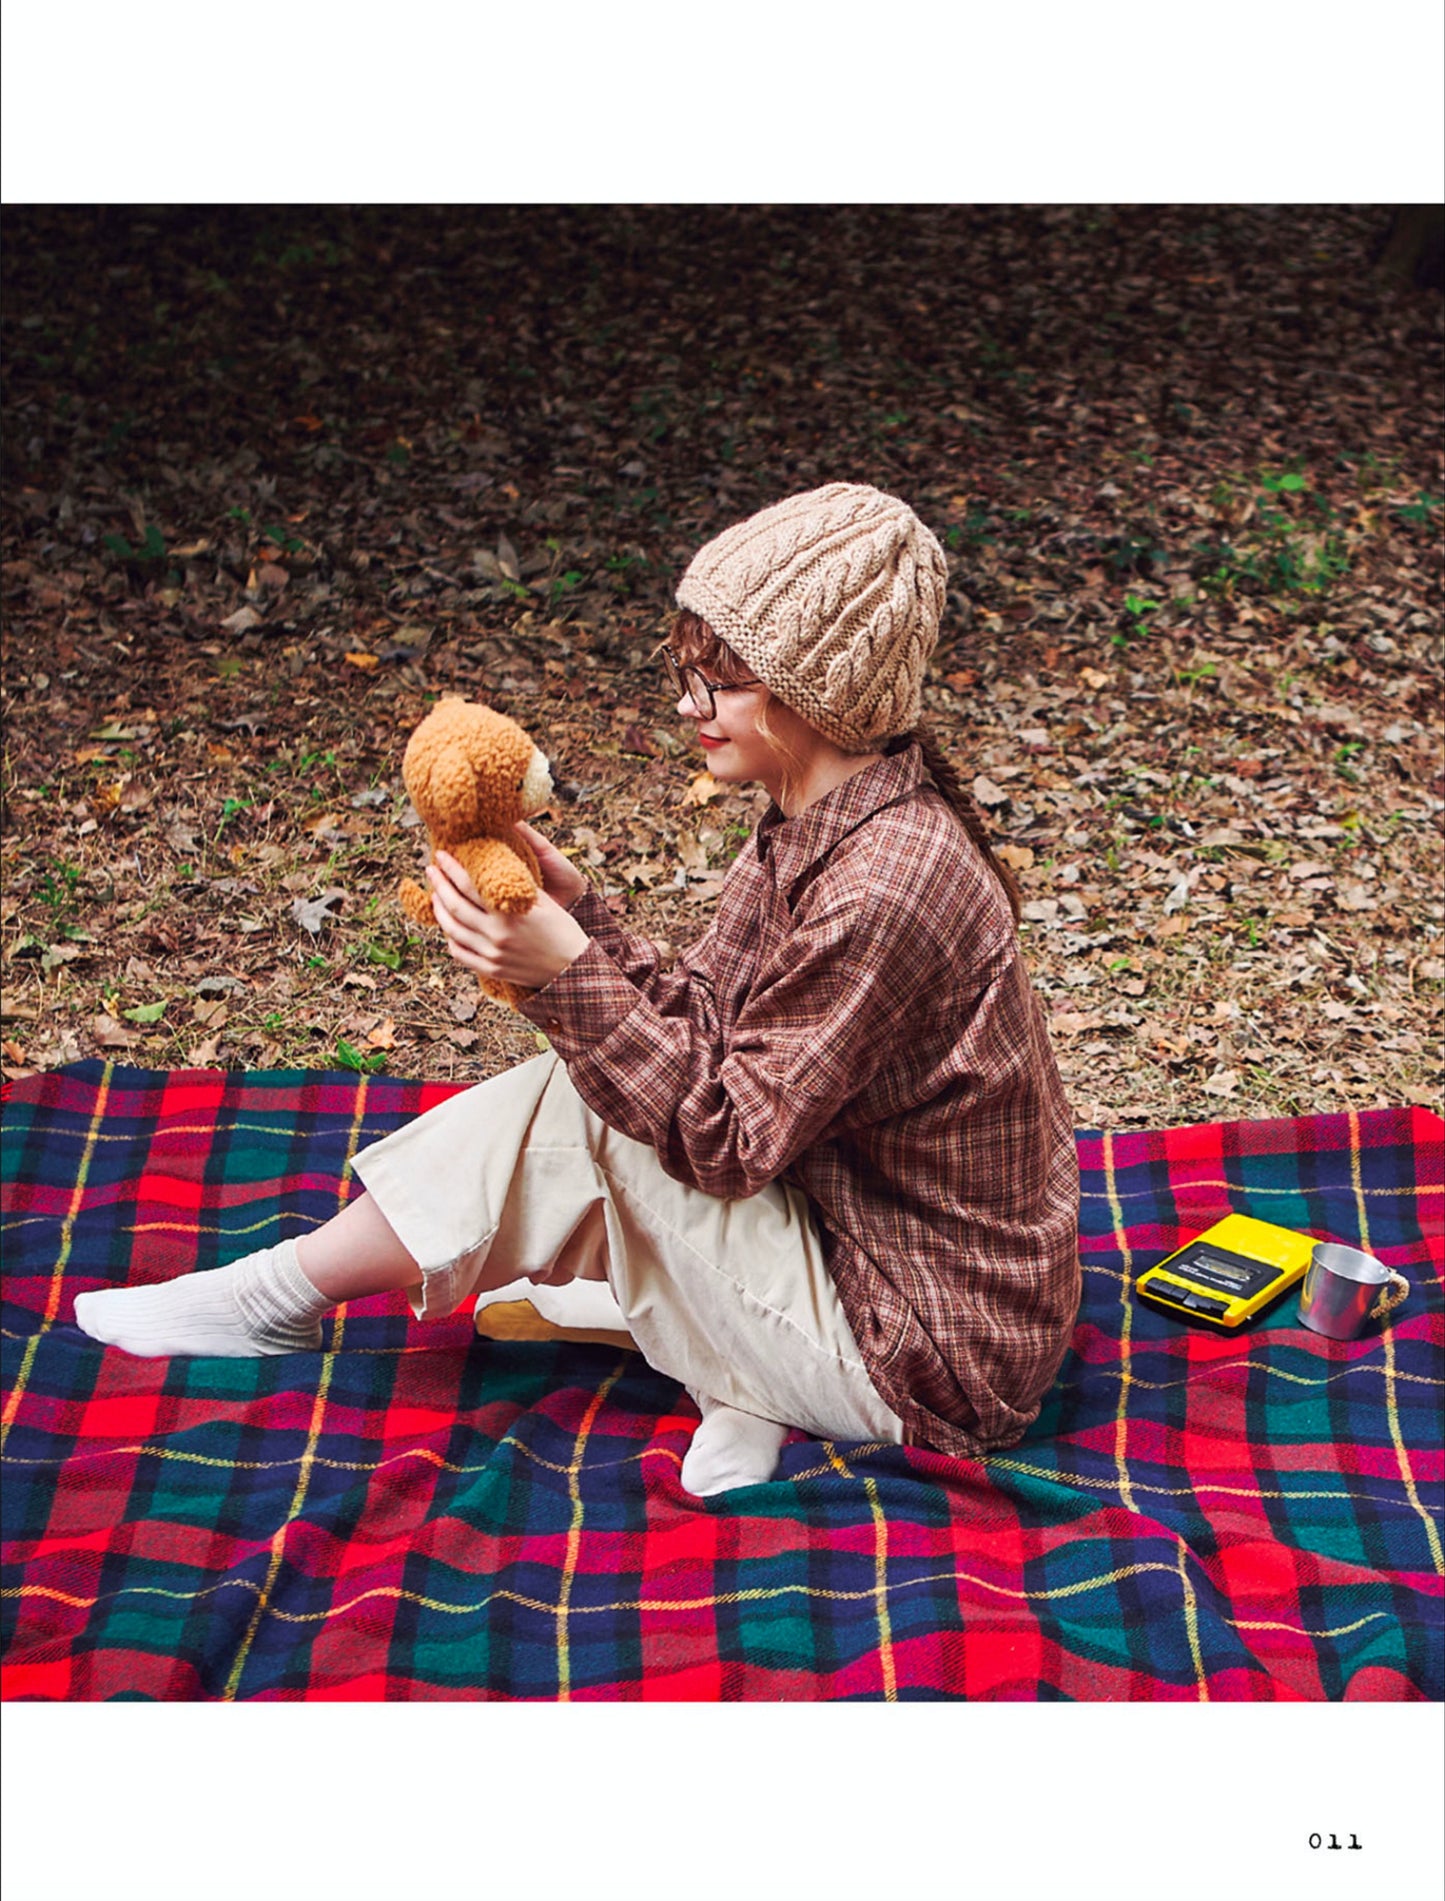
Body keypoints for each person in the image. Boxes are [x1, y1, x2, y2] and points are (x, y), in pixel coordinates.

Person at [75, 483, 1082, 1497]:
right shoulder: (820, 815)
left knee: (588, 1110)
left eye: (719, 680)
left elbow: (723, 1138)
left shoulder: (884, 883)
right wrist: (583, 917)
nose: (690, 703)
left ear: (810, 691)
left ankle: (275, 1298)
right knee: (596, 1092)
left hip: (925, 1361)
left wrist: (566, 978)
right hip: (852, 1240)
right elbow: (714, 1035)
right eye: (687, 671)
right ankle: (727, 1372)